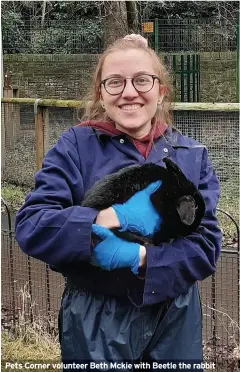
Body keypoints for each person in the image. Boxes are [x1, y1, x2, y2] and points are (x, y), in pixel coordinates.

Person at [15, 34, 222, 371]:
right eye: (115, 82)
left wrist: (142, 257)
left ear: (161, 90)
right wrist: (106, 219)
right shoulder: (76, 147)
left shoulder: (191, 156)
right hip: (95, 318)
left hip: (176, 318)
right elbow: (33, 224)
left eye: (142, 80)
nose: (129, 92)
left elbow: (206, 243)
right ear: (101, 92)